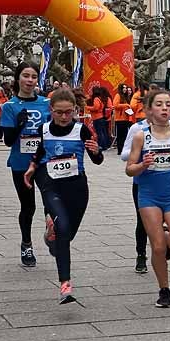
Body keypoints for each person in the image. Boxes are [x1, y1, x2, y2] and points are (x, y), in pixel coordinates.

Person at [22, 88, 104, 304]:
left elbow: (98, 160)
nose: (64, 116)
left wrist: (96, 151)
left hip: (77, 188)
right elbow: (39, 152)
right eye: (59, 112)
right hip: (51, 186)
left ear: (75, 110)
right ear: (51, 110)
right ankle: (65, 285)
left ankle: (52, 240)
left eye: (68, 112)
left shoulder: (81, 129)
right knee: (63, 229)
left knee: (65, 236)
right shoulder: (44, 129)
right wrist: (32, 168)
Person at [125, 89, 170, 308]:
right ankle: (164, 289)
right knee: (157, 248)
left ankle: (164, 233)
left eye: (168, 104)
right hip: (149, 196)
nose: (164, 108)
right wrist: (142, 165)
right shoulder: (140, 135)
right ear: (150, 109)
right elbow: (129, 169)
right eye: (159, 104)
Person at [1, 63, 52, 267]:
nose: (30, 80)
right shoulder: (10, 106)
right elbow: (7, 140)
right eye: (26, 76)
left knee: (51, 202)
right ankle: (26, 244)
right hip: (21, 164)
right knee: (28, 206)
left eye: (33, 76)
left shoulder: (46, 104)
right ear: (18, 78)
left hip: (44, 161)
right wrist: (21, 123)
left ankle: (53, 234)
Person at [121, 103, 154, 274]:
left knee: (166, 219)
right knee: (143, 220)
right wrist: (140, 152)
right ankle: (141, 255)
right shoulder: (137, 128)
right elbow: (124, 154)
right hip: (142, 181)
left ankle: (163, 249)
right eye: (155, 106)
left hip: (167, 182)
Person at [87, 86, 113, 151]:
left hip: (97, 118)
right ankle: (105, 145)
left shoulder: (96, 99)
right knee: (103, 132)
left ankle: (102, 146)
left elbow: (96, 107)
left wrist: (88, 107)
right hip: (100, 117)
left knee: (100, 133)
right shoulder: (100, 98)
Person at [112, 83, 134, 154]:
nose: (125, 89)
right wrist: (126, 105)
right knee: (120, 135)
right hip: (119, 119)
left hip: (125, 118)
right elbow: (115, 105)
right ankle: (120, 150)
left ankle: (124, 149)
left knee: (125, 135)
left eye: (126, 88)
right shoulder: (118, 95)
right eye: (123, 88)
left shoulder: (125, 96)